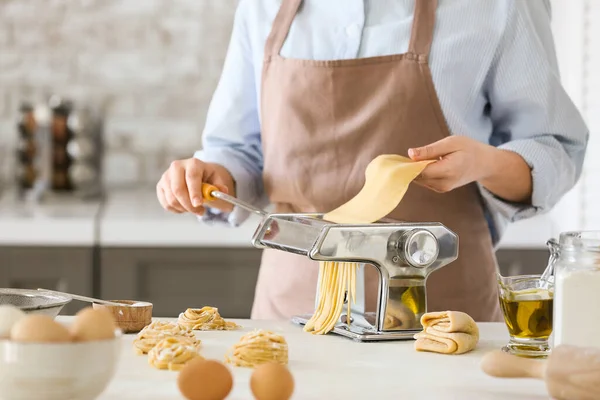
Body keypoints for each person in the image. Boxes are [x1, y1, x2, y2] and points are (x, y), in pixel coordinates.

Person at [156, 0, 588, 322]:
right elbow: (240, 150)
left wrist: (485, 163)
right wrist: (215, 176)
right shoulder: (265, 5)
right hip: (292, 317)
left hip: (442, 319)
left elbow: (554, 148)